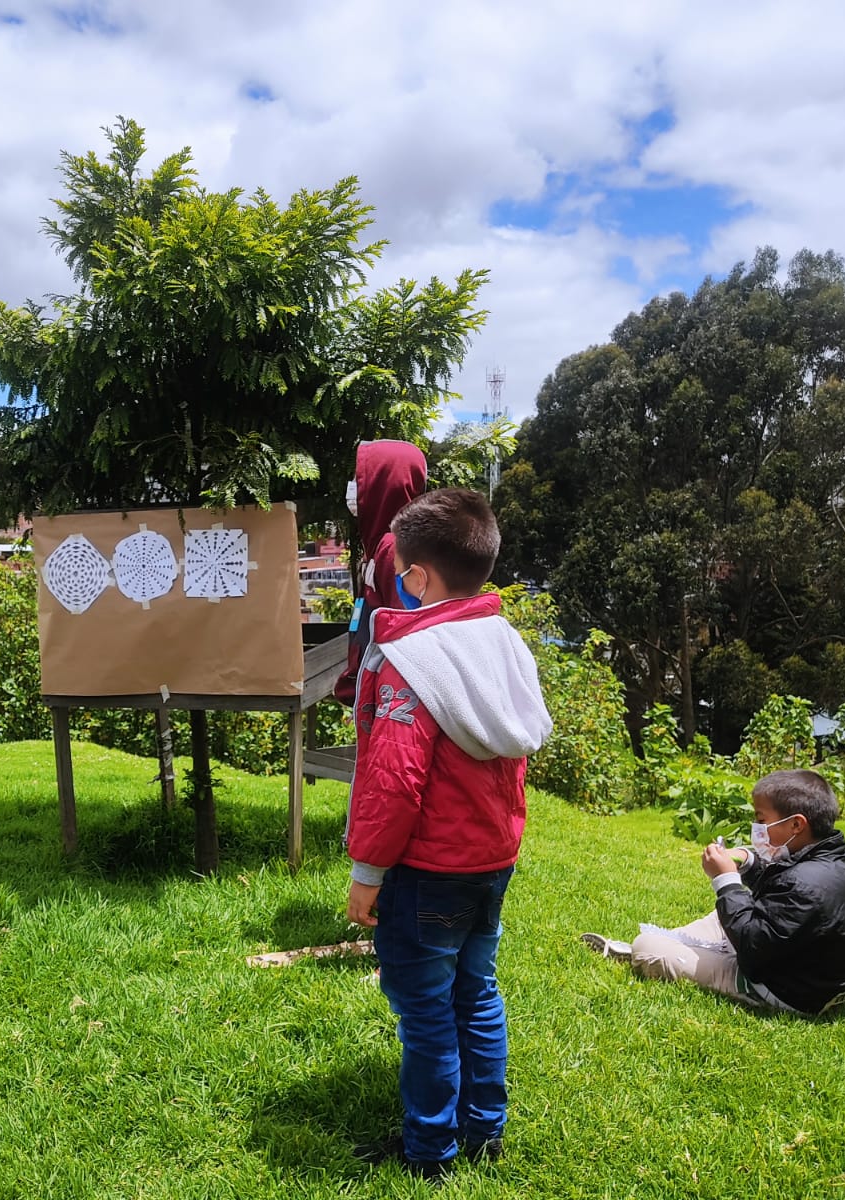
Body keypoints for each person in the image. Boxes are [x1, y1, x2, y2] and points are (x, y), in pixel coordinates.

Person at [345, 488, 553, 1178]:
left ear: (418, 575)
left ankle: (429, 1152)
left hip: (428, 870)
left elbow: (393, 782)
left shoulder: (415, 661)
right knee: (477, 990)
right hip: (491, 860)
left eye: (402, 573)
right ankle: (485, 1131)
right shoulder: (505, 643)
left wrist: (367, 873)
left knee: (426, 1009)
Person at [582, 769, 845, 1015]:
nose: (756, 828)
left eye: (761, 820)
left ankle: (656, 949)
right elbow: (781, 891)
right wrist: (749, 862)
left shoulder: (804, 884)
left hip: (791, 991)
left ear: (796, 824)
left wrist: (726, 880)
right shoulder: (831, 858)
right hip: (815, 976)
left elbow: (753, 950)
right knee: (722, 916)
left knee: (648, 948)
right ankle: (677, 944)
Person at [334, 440, 429, 707]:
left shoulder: (392, 547)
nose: (353, 487)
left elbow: (403, 632)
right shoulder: (381, 544)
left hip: (389, 700)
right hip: (378, 693)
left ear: (384, 484)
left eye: (360, 479)